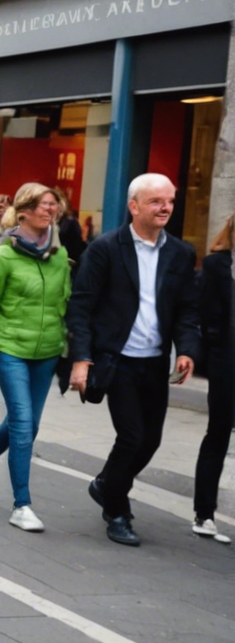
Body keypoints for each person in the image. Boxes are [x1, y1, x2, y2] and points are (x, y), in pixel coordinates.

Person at [64, 173, 200, 546]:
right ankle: (117, 510)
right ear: (134, 205)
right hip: (117, 359)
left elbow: (188, 308)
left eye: (170, 200)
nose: (165, 207)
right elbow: (81, 307)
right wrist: (81, 359)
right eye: (156, 201)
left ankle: (107, 484)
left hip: (154, 362)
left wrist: (187, 349)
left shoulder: (180, 253)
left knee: (150, 441)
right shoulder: (105, 248)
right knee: (132, 436)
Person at [0, 182, 73, 532]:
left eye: (53, 205)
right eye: (43, 204)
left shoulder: (59, 257)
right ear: (24, 211)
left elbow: (67, 305)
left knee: (29, 423)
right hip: (10, 348)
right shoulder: (1, 257)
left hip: (46, 351)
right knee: (23, 424)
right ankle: (22, 504)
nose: (50, 210)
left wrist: (73, 352)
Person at [193, 214, 232, 543]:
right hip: (227, 362)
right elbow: (206, 314)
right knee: (218, 433)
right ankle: (204, 513)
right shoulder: (217, 265)